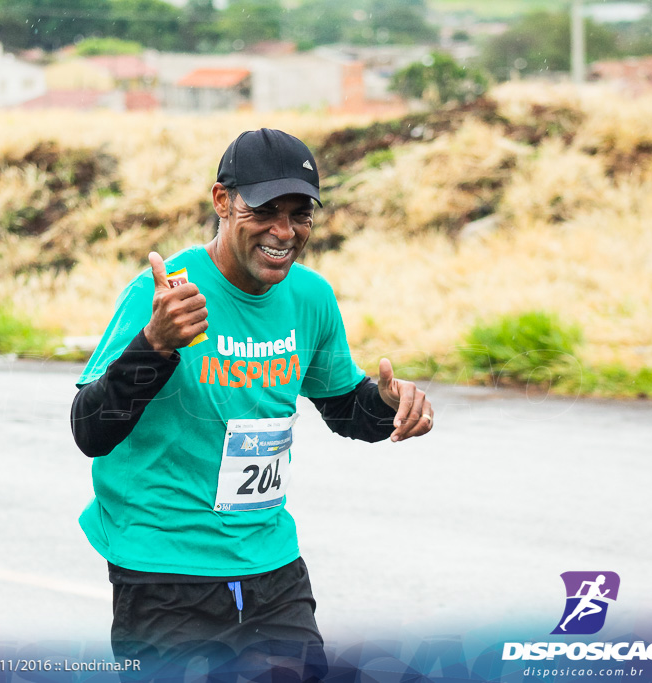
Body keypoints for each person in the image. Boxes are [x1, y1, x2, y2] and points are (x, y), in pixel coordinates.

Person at [71, 129, 434, 680]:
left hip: (271, 566)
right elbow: (89, 430)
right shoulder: (168, 293)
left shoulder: (309, 297)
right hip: (166, 570)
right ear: (222, 201)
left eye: (300, 214)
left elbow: (343, 408)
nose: (284, 232)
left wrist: (387, 405)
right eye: (265, 210)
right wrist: (155, 343)